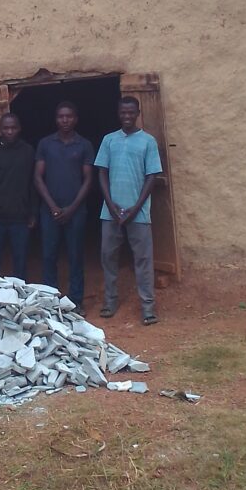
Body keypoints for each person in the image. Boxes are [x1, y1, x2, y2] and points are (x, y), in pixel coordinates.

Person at [95, 95, 163, 325]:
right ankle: (110, 301)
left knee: (143, 260)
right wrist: (111, 204)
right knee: (108, 256)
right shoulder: (109, 140)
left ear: (137, 114)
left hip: (139, 212)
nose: (127, 116)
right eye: (123, 112)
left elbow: (151, 176)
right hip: (110, 212)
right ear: (118, 113)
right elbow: (102, 172)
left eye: (131, 112)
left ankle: (148, 307)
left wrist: (136, 207)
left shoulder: (148, 141)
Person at [34, 101, 94, 314]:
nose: (65, 120)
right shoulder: (45, 144)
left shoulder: (84, 145)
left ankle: (76, 301)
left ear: (75, 119)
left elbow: (88, 179)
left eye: (69, 116)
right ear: (56, 119)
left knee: (76, 256)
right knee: (49, 255)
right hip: (49, 211)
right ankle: (50, 301)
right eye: (61, 116)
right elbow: (38, 177)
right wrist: (53, 206)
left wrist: (72, 208)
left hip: (76, 211)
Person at [0, 113, 37, 281]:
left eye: (13, 128)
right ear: (0, 129)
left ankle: (19, 294)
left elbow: (33, 183)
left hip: (20, 217)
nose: (10, 131)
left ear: (19, 129)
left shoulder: (28, 151)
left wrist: (33, 212)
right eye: (6, 128)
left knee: (20, 260)